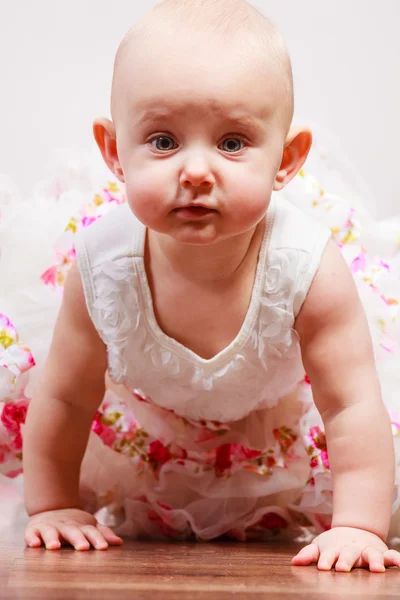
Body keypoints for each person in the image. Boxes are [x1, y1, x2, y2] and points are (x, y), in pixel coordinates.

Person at [1, 0, 400, 573]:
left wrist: (359, 526)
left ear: (285, 160)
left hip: (276, 419)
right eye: (163, 141)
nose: (194, 171)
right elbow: (65, 397)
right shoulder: (102, 267)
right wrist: (53, 507)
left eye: (232, 142)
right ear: (116, 152)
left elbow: (350, 403)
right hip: (151, 419)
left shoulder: (307, 266)